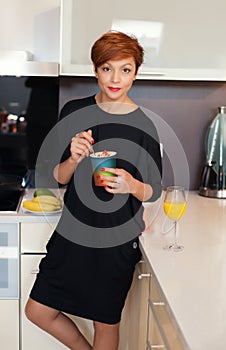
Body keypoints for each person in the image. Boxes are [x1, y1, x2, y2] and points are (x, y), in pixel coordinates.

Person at [25, 31, 162, 350]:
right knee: (39, 311)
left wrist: (130, 184)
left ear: (136, 72)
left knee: (105, 321)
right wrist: (73, 158)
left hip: (115, 240)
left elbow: (153, 190)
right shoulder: (74, 112)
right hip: (72, 233)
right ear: (95, 69)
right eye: (107, 68)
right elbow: (57, 177)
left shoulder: (145, 126)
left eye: (125, 69)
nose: (116, 78)